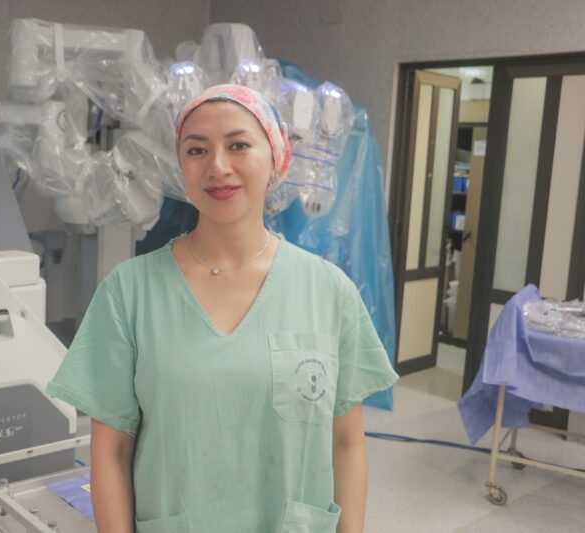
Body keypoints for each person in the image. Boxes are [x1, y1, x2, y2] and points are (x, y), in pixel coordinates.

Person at [47, 84, 399, 533]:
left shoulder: (328, 292)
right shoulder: (129, 293)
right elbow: (111, 452)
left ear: (277, 159)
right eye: (197, 150)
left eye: (238, 145)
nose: (217, 166)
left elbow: (346, 444)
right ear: (182, 167)